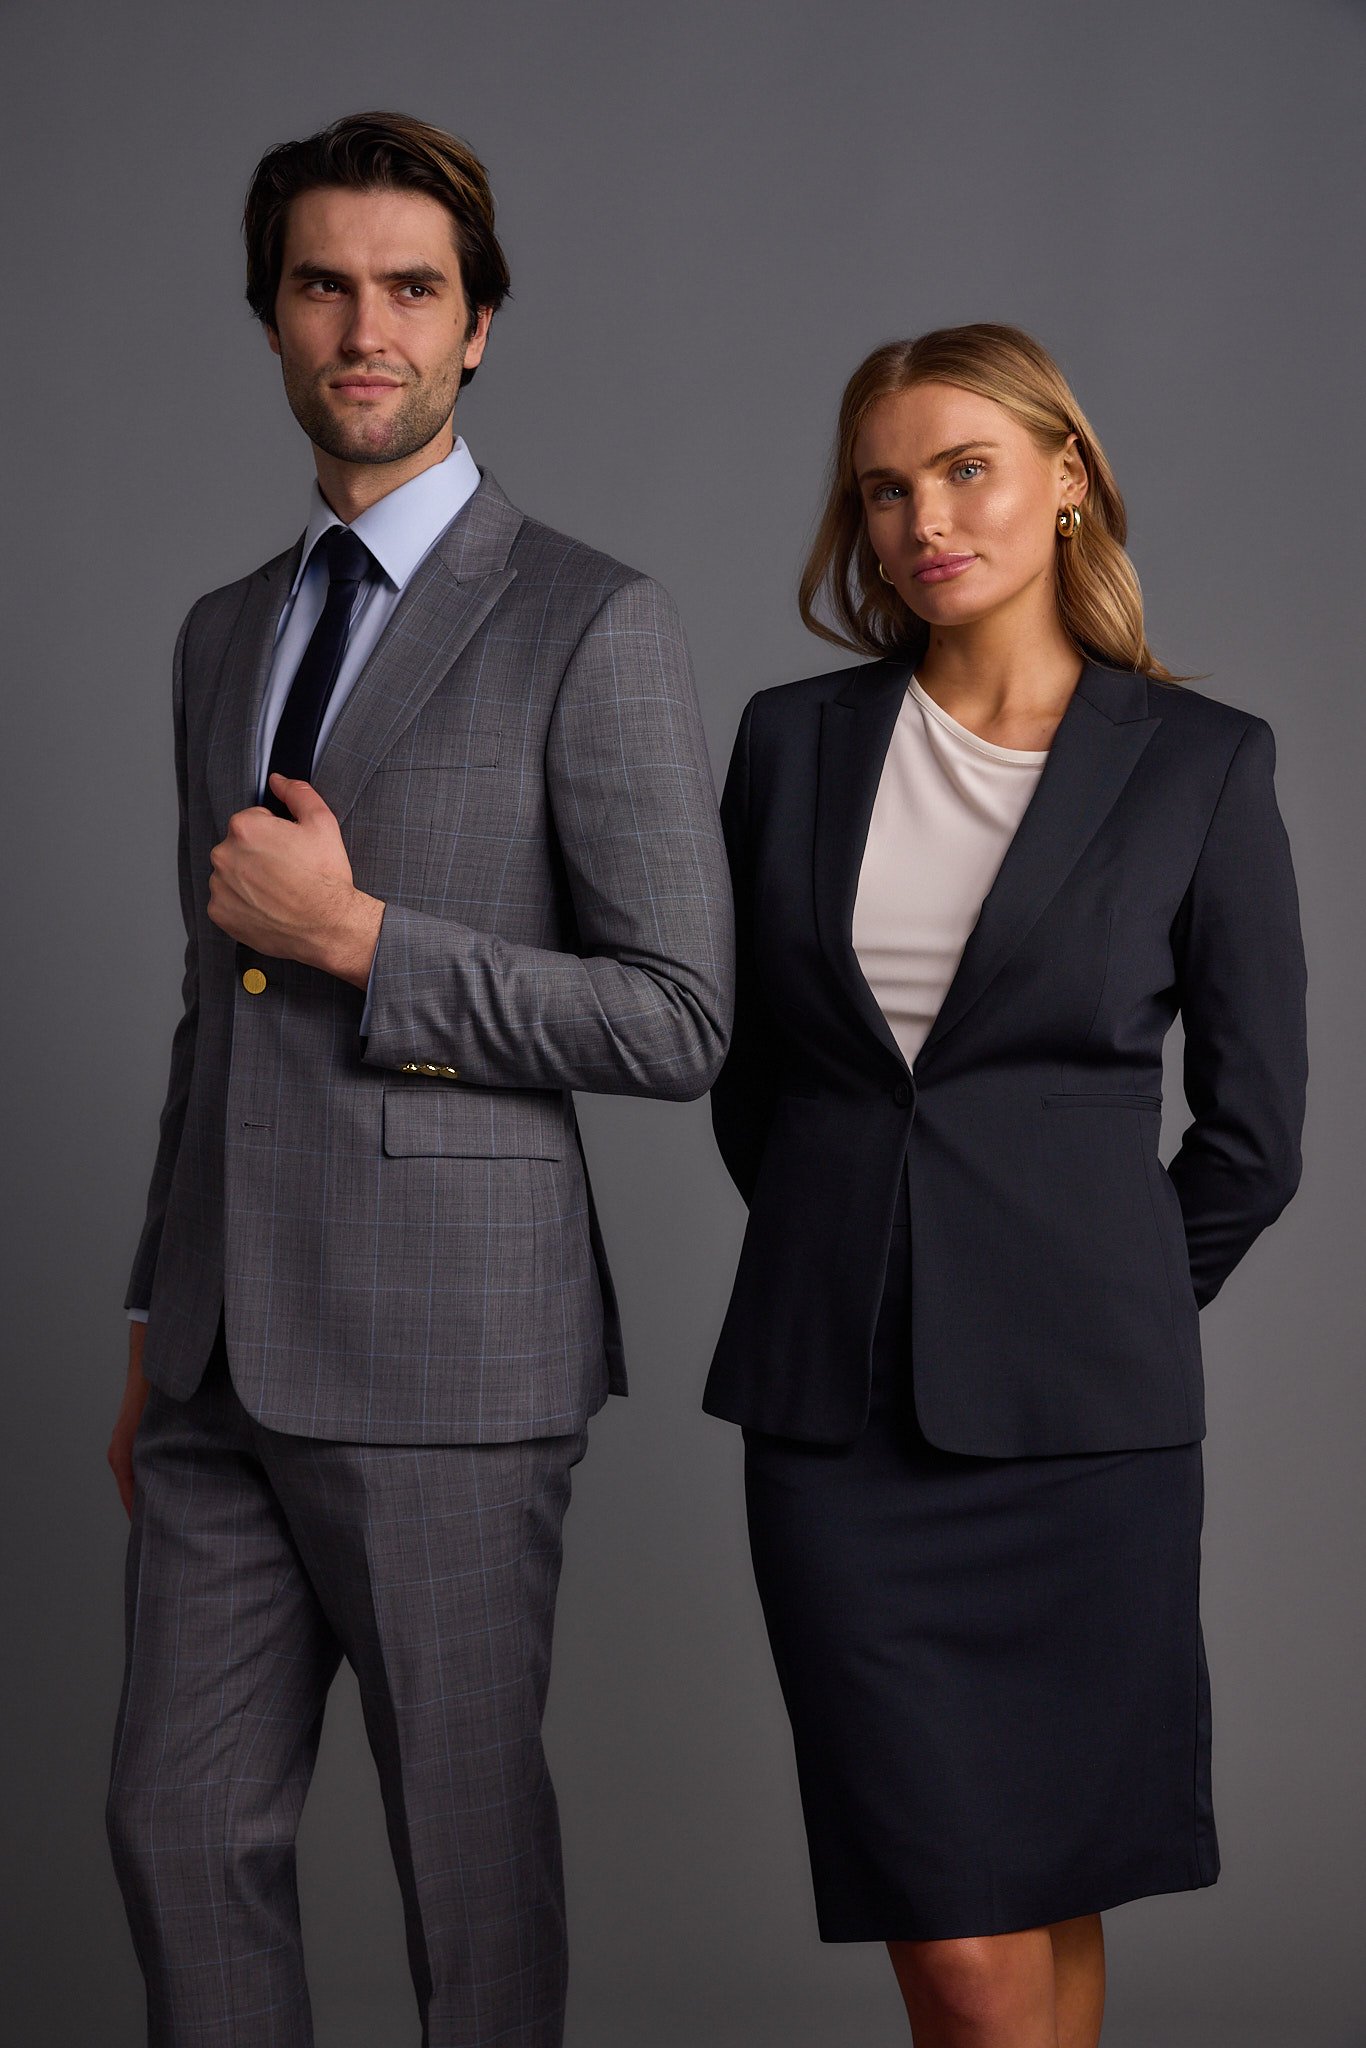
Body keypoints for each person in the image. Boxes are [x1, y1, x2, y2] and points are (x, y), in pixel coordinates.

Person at [105, 110, 733, 2048]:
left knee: (464, 1884)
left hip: (453, 1356)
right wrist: (151, 1315)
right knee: (174, 1832)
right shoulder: (225, 631)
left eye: (408, 288)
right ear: (271, 317)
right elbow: (216, 1010)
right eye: (322, 285)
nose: (361, 325)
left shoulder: (585, 617)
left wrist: (370, 936)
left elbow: (678, 1011)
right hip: (217, 1355)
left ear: (475, 329)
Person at [704, 323, 1306, 2047]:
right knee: (958, 1947)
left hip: (1081, 1434)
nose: (920, 518)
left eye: (963, 466)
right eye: (881, 488)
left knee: (1047, 1889)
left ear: (1066, 478)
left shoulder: (1197, 764)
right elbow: (762, 1088)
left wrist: (1075, 1296)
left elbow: (1255, 1135)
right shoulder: (790, 742)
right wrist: (875, 1269)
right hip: (835, 1423)